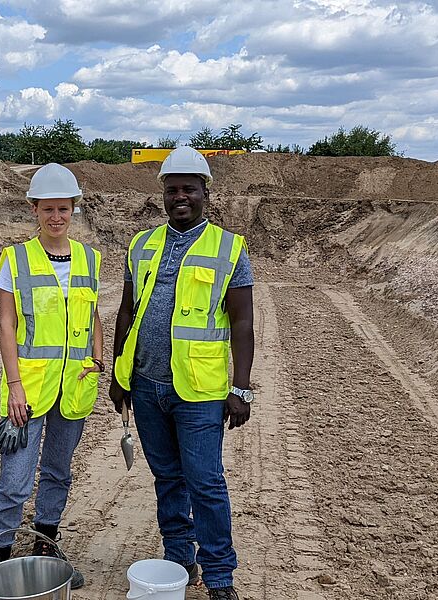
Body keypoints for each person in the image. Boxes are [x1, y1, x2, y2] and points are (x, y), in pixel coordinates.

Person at [109, 147, 254, 600]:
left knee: (205, 482)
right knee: (167, 478)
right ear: (163, 195)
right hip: (147, 385)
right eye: (172, 190)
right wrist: (119, 374)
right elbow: (126, 311)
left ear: (206, 193)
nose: (180, 196)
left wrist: (242, 388)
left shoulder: (229, 248)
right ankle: (178, 559)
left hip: (199, 390)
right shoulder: (142, 244)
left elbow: (244, 322)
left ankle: (220, 577)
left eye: (189, 188)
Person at [0, 163, 102, 590]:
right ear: (34, 209)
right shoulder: (15, 259)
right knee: (15, 479)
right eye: (48, 209)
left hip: (74, 387)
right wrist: (14, 385)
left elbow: (92, 316)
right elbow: (6, 325)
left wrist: (98, 359)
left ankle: (45, 543)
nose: (56, 217)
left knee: (58, 471)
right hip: (28, 389)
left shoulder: (90, 258)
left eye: (64, 210)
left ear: (74, 210)